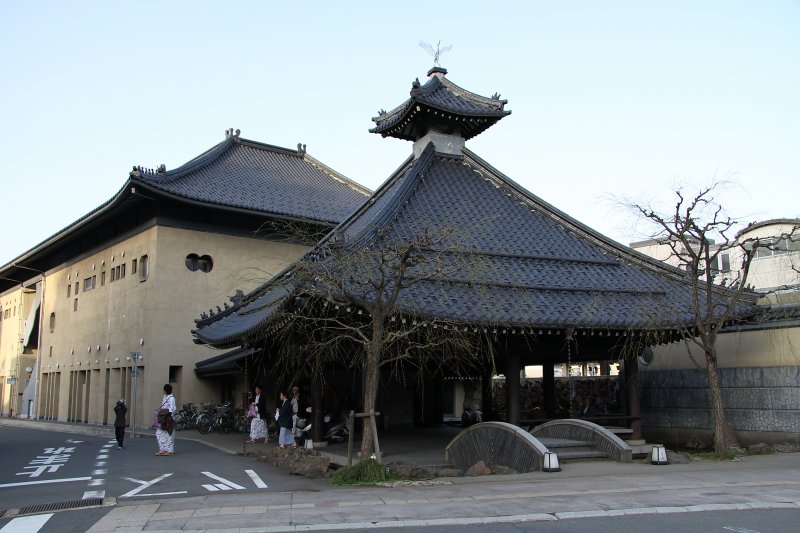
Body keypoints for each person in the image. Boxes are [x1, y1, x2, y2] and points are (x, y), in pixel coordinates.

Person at [156, 383, 176, 456]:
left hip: (168, 419)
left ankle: (168, 450)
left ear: (165, 390)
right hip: (164, 418)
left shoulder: (171, 398)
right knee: (160, 433)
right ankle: (163, 449)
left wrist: (165, 412)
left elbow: (172, 409)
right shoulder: (166, 397)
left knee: (168, 434)